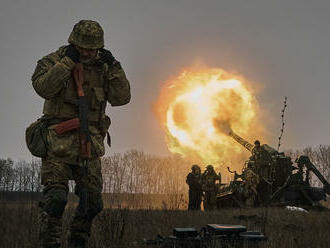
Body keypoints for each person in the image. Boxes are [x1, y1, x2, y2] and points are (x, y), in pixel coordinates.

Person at [31, 20, 131, 248]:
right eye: (83, 48)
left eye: (92, 49)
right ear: (74, 43)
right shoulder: (54, 61)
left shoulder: (104, 67)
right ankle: (49, 243)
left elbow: (122, 98)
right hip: (58, 144)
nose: (87, 53)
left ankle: (77, 241)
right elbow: (43, 88)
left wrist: (115, 67)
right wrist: (67, 63)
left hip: (89, 144)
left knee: (92, 202)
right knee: (55, 200)